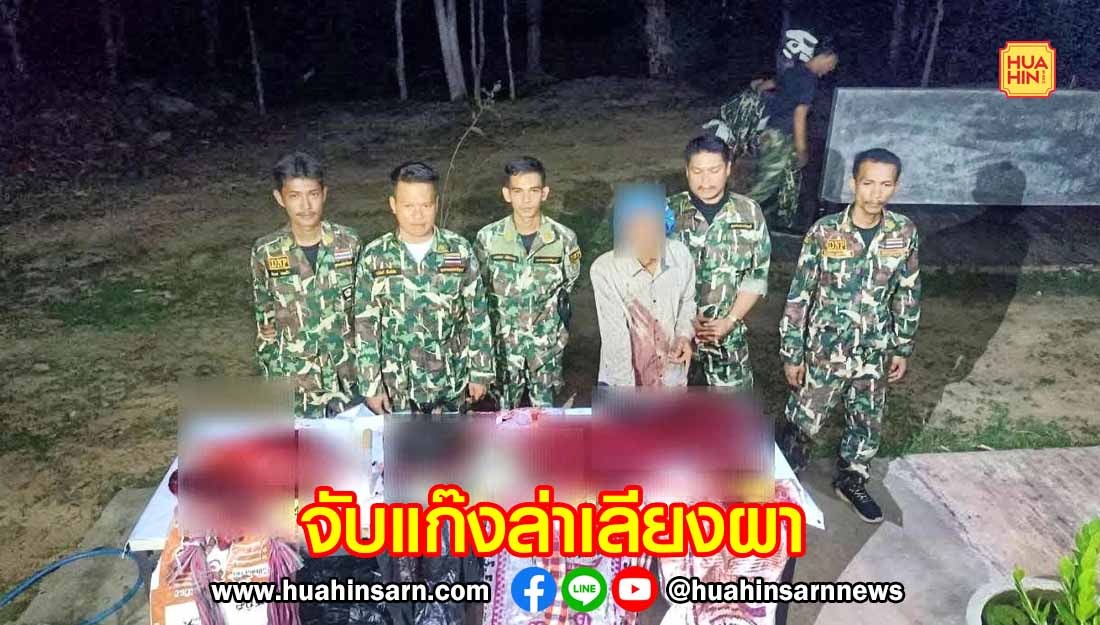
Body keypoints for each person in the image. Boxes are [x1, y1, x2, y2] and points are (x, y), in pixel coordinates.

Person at [778, 148, 921, 524]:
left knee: (866, 420)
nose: (876, 193)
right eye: (868, 183)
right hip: (826, 350)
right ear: (853, 183)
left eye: (885, 185)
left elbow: (907, 291)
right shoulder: (825, 232)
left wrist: (902, 345)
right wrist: (792, 352)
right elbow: (800, 295)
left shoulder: (903, 232)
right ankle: (779, 483)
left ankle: (852, 480)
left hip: (874, 349)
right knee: (804, 419)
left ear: (896, 186)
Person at [354, 161, 494, 414]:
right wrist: (371, 385)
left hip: (451, 383)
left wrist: (481, 372)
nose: (417, 215)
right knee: (400, 441)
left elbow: (477, 315)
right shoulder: (375, 256)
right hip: (397, 387)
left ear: (436, 204)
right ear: (393, 205)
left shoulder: (458, 250)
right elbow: (366, 325)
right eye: (408, 206)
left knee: (455, 440)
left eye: (426, 205)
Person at [250, 152, 361, 418]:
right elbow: (265, 319)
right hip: (295, 382)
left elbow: (365, 310)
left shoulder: (348, 243)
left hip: (347, 377)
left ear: (324, 194)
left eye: (313, 194)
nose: (306, 205)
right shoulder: (267, 251)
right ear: (280, 198)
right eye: (294, 196)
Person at [474, 157, 582, 408]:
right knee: (504, 416)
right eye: (518, 191)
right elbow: (479, 289)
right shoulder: (487, 239)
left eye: (533, 191)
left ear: (544, 193)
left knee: (545, 418)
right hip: (504, 347)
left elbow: (568, 283)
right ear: (506, 194)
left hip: (545, 348)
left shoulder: (564, 239)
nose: (525, 200)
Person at [669, 135, 771, 392]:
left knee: (733, 411)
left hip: (727, 338)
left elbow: (756, 276)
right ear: (686, 171)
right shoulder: (666, 213)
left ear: (727, 169)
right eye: (697, 171)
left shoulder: (749, 213)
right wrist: (682, 327)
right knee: (668, 409)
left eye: (714, 170)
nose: (705, 181)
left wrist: (730, 320)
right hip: (675, 338)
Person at [591, 184, 695, 387]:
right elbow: (615, 339)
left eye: (652, 224)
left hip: (670, 377)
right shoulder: (605, 270)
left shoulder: (680, 256)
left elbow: (687, 302)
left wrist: (684, 335)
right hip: (623, 381)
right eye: (635, 224)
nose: (644, 233)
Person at [748, 36, 838, 233]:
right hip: (780, 137)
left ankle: (765, 225)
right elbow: (799, 115)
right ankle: (738, 222)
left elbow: (766, 85)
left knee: (775, 183)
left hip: (769, 133)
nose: (830, 69)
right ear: (824, 57)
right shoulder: (809, 80)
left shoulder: (793, 71)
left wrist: (757, 88)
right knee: (765, 186)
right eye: (831, 64)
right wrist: (802, 150)